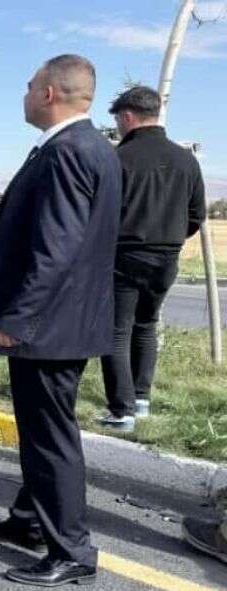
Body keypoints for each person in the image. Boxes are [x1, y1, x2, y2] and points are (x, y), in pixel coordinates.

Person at [0, 54, 120, 587]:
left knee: (50, 436)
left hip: (48, 326)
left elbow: (56, 248)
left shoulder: (68, 151)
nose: (25, 92)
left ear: (50, 94)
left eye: (30, 85)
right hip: (65, 322)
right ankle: (31, 520)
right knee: (42, 429)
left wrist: (19, 317)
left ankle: (72, 551)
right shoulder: (93, 147)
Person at [97, 86, 207, 433]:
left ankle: (122, 410)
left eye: (117, 119)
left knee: (115, 331)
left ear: (128, 116)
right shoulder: (186, 160)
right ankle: (141, 399)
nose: (117, 126)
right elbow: (196, 215)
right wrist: (169, 239)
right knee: (146, 325)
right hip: (167, 258)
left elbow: (100, 214)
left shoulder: (118, 158)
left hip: (124, 255)